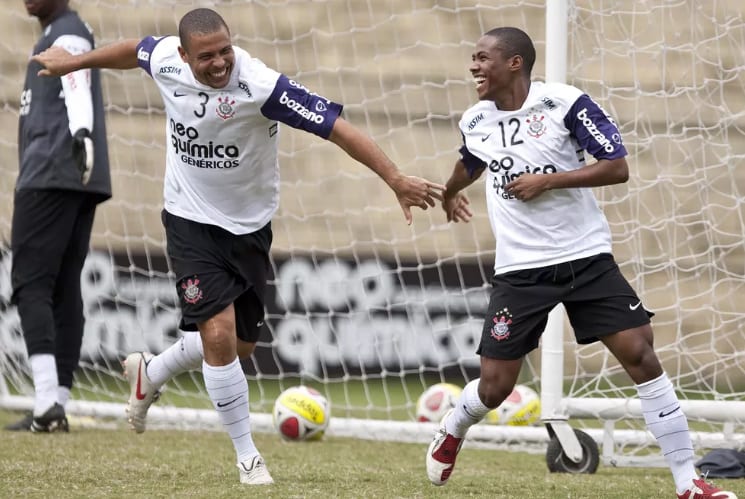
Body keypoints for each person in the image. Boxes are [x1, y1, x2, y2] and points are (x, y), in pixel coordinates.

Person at [31, 7, 444, 485]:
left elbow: (338, 128)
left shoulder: (261, 85)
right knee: (219, 335)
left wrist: (394, 178)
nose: (220, 62)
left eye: (225, 50)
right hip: (188, 220)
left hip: (249, 228)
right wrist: (72, 63)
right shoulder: (165, 57)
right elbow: (134, 49)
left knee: (240, 345)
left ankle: (152, 371)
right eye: (207, 56)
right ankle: (249, 459)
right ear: (183, 55)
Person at [424, 27, 737, 499]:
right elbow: (472, 161)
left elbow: (617, 165)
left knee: (640, 354)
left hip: (585, 257)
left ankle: (687, 480)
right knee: (493, 387)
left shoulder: (566, 104)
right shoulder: (476, 119)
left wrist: (548, 182)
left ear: (514, 63)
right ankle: (453, 426)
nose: (473, 66)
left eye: (482, 58)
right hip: (520, 270)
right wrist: (450, 193)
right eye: (473, 58)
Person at [5, 0, 111, 433]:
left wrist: (82, 134)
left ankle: (47, 401)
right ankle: (57, 401)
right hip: (78, 175)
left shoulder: (65, 33)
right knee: (66, 284)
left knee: (31, 283)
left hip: (51, 170)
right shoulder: (67, 28)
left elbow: (76, 82)